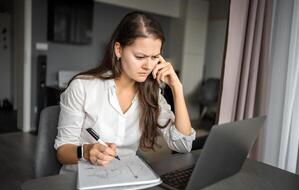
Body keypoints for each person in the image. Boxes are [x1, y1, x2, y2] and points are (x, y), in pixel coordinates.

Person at [54, 11, 196, 172]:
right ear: (119, 50)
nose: (148, 66)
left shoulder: (152, 94)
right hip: (82, 178)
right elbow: (62, 152)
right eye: (140, 56)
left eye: (155, 57)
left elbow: (183, 145)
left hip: (126, 179)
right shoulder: (83, 87)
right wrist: (86, 151)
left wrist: (177, 89)